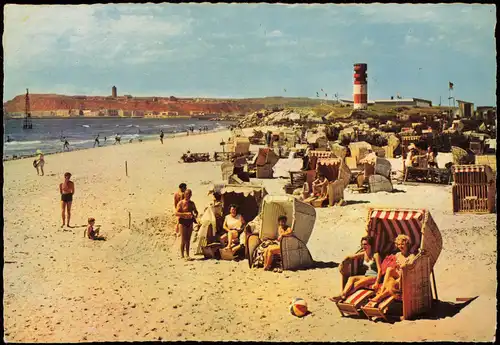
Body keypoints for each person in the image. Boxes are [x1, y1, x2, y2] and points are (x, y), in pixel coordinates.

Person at [365, 234, 416, 307]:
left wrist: (403, 266)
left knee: (393, 283)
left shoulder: (411, 256)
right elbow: (394, 267)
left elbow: (411, 269)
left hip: (405, 277)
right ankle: (382, 290)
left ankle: (380, 297)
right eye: (398, 244)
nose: (400, 246)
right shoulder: (398, 254)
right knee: (389, 270)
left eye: (402, 244)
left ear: (407, 245)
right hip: (398, 275)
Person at [329, 236, 382, 302]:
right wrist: (343, 262)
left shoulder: (376, 255)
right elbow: (350, 257)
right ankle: (344, 293)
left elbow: (380, 270)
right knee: (351, 278)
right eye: (362, 244)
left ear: (370, 245)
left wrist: (377, 282)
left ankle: (343, 295)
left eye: (365, 244)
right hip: (366, 275)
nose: (363, 246)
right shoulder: (364, 254)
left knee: (358, 283)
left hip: (374, 276)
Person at [175, 189, 198, 260]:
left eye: (190, 194)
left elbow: (196, 211)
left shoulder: (192, 203)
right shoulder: (181, 203)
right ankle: (182, 255)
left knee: (188, 239)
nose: (189, 195)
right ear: (185, 194)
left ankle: (187, 255)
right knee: (183, 239)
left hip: (190, 222)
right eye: (187, 194)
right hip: (183, 222)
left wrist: (194, 214)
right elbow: (176, 213)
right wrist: (185, 214)